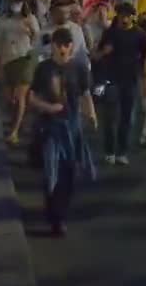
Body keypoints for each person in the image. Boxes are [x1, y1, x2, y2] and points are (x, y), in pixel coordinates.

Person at [29, 27, 99, 236]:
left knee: (69, 174)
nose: (62, 49)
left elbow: (85, 93)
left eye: (66, 45)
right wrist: (48, 108)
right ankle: (54, 215)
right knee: (52, 171)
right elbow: (32, 97)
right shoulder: (44, 69)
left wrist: (92, 114)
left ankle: (60, 214)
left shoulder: (78, 68)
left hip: (72, 126)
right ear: (53, 46)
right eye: (58, 45)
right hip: (50, 127)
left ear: (71, 47)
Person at [94, 1, 146, 165]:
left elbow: (145, 56)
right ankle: (109, 150)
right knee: (110, 116)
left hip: (130, 80)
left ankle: (122, 151)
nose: (124, 19)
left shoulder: (139, 34)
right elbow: (96, 55)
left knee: (127, 117)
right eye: (121, 15)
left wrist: (144, 78)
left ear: (133, 16)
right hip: (111, 80)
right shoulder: (109, 33)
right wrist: (104, 52)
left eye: (128, 15)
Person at [0, 0, 40, 145]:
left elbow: (37, 39)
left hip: (24, 59)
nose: (16, 6)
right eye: (13, 2)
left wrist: (30, 31)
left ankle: (14, 131)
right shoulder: (3, 21)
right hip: (7, 61)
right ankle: (16, 121)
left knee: (20, 96)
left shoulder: (30, 19)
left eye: (19, 2)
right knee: (9, 98)